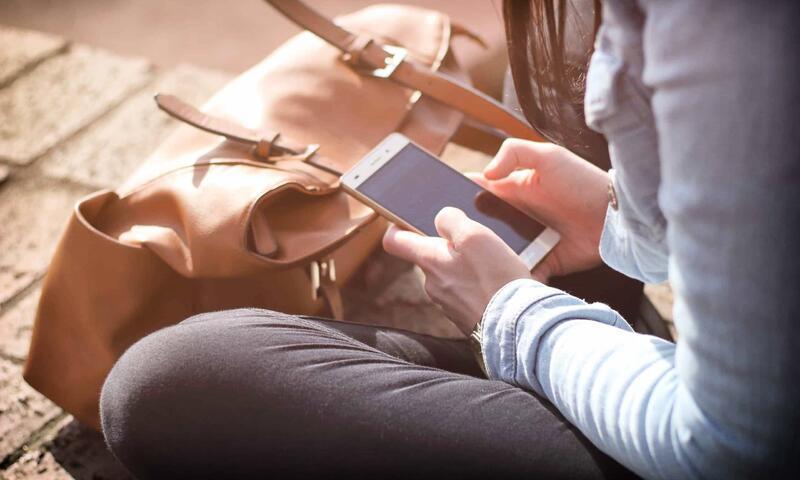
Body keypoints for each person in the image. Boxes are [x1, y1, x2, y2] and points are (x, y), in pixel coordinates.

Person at [99, 1, 800, 478]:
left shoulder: (722, 35)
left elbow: (731, 450)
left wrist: (514, 315)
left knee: (173, 384)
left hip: (717, 442)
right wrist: (623, 224)